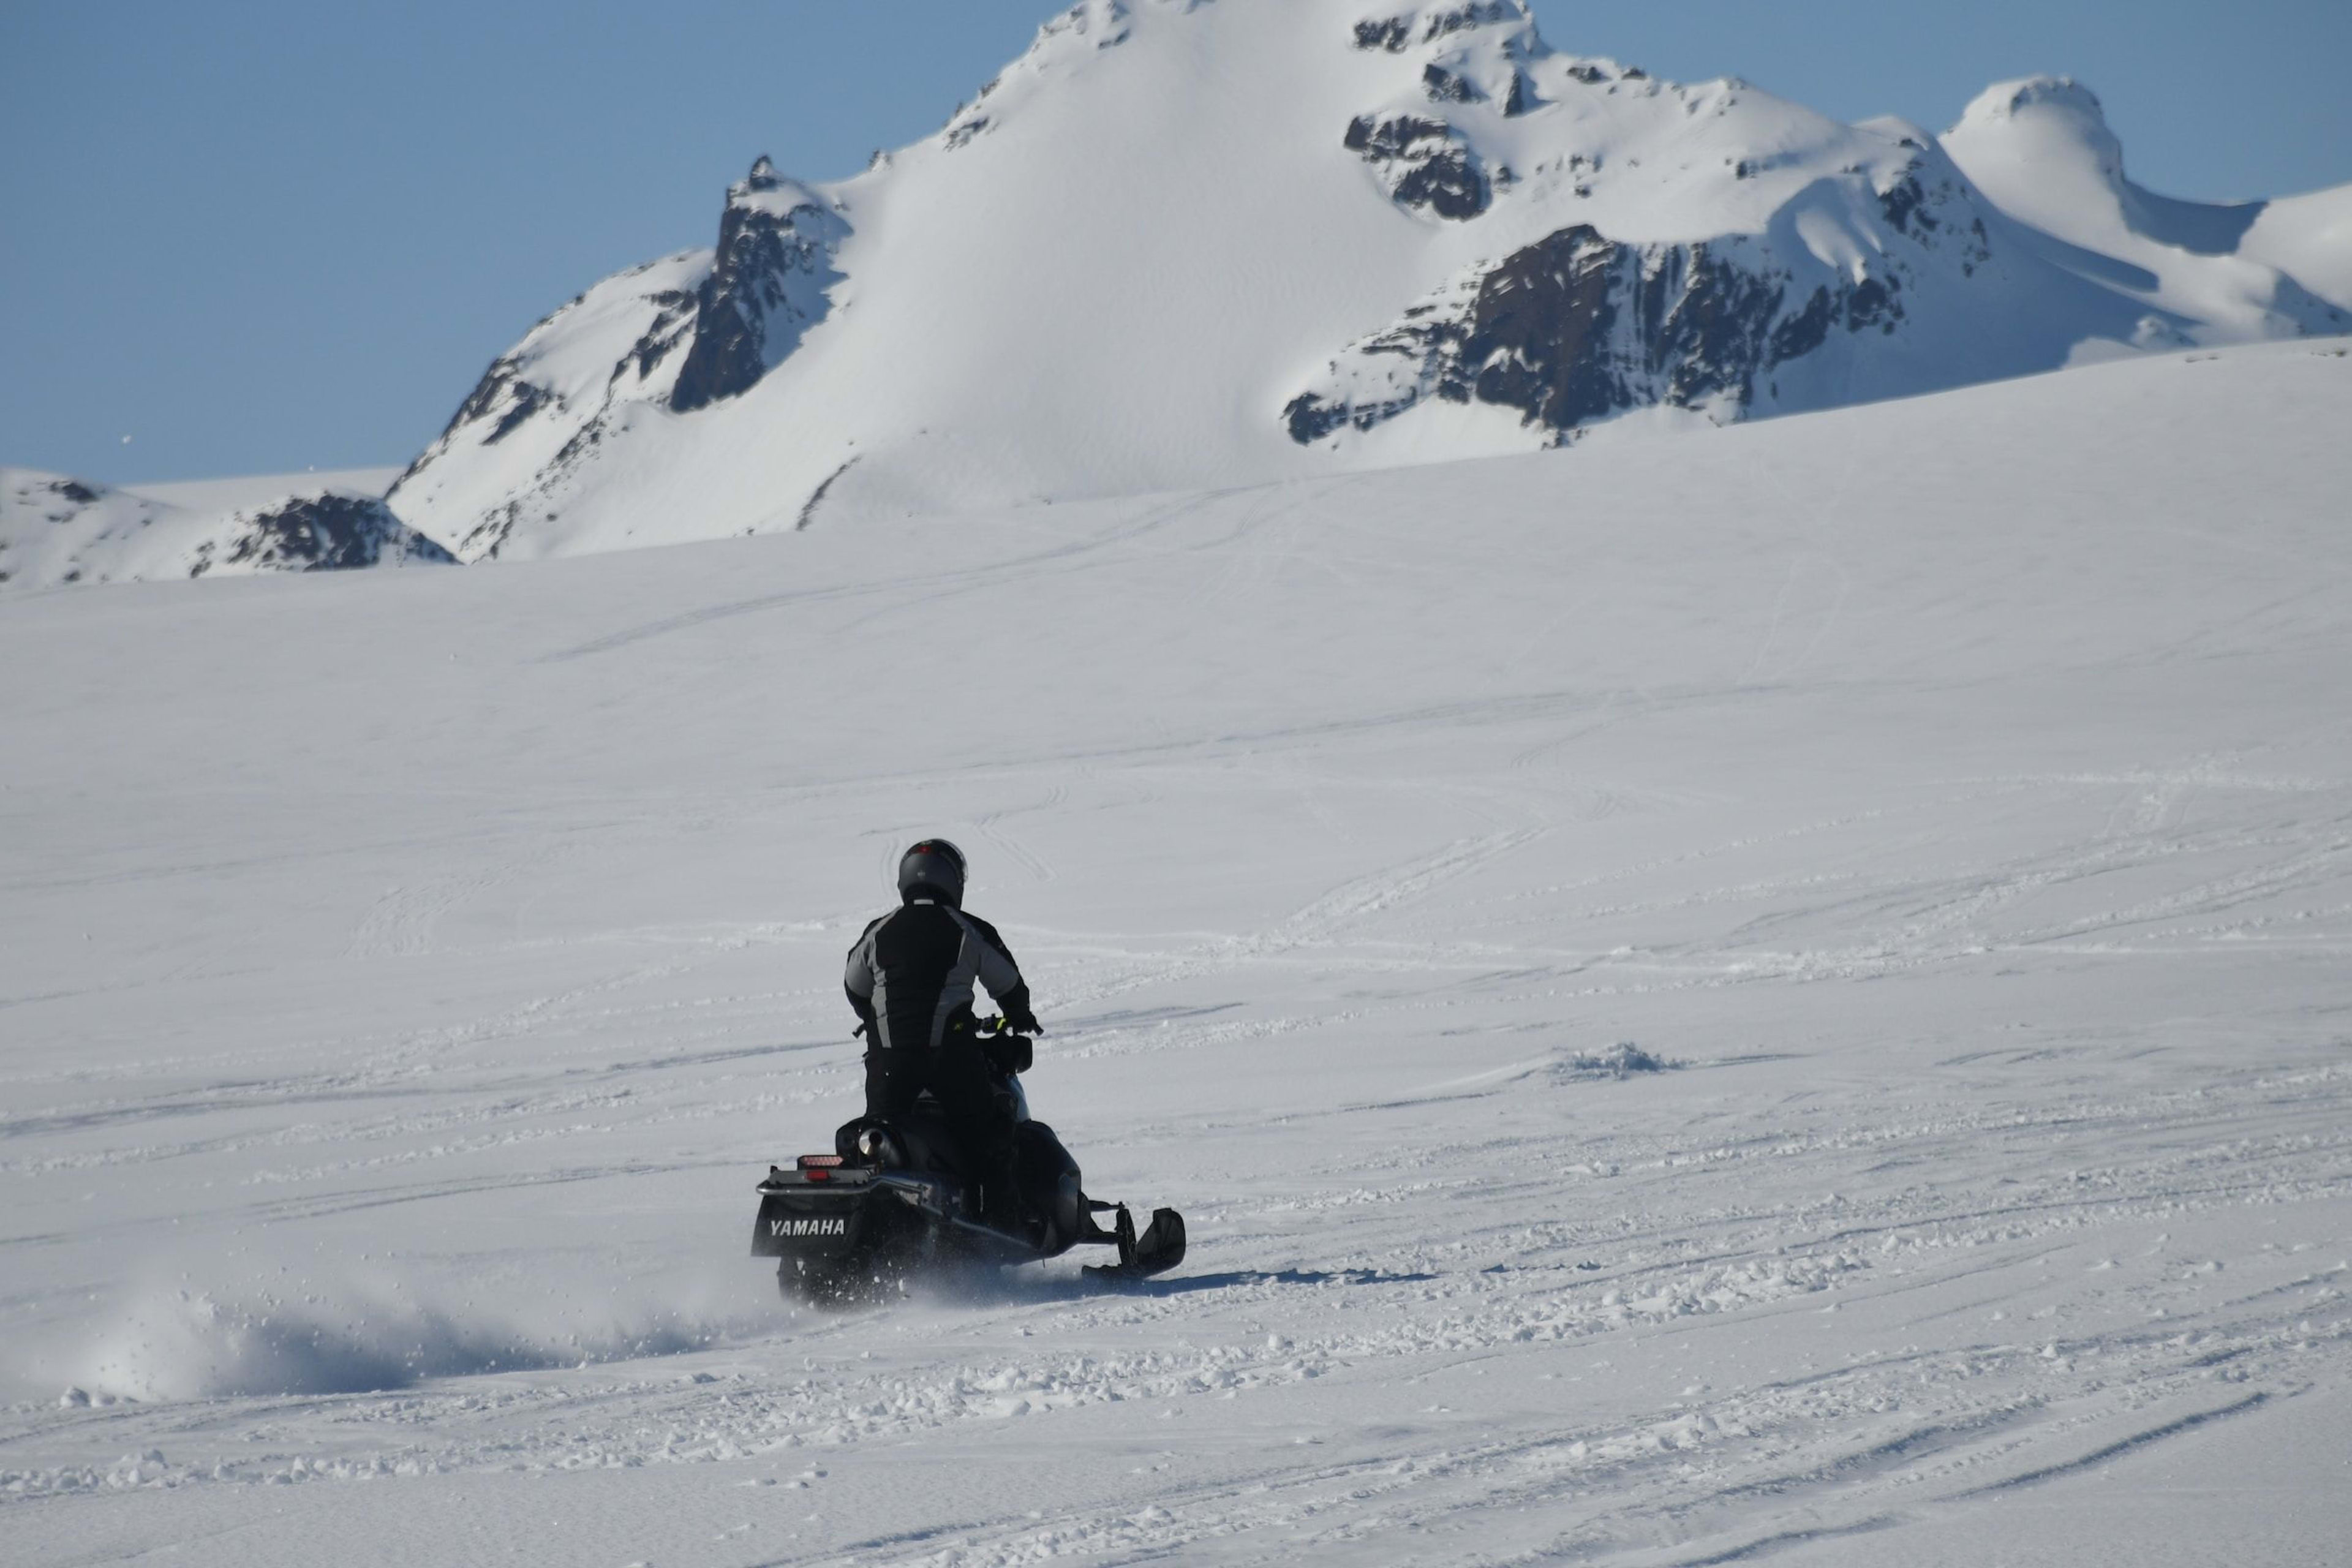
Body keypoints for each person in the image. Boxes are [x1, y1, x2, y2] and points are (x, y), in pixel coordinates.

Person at [843, 839, 1042, 1232]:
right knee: (989, 1133)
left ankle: (868, 1228)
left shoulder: (879, 930)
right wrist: (1018, 1014)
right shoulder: (966, 927)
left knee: (878, 1142)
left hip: (888, 1062)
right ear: (954, 881)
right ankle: (1003, 1226)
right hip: (948, 1059)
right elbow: (1008, 982)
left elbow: (854, 985)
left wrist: (876, 1019)